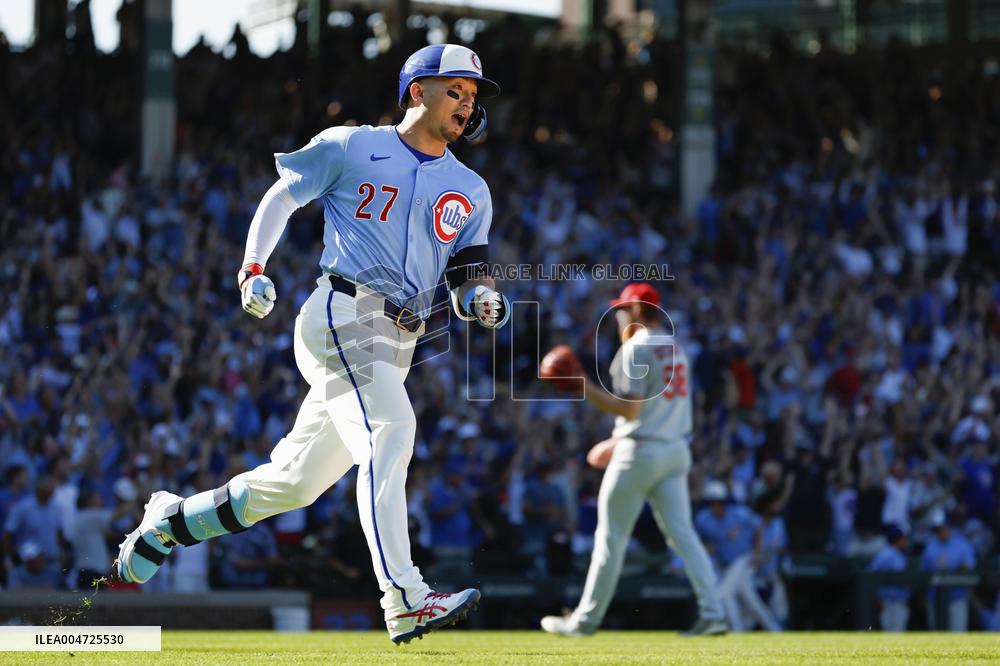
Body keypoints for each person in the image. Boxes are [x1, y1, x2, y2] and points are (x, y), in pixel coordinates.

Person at [115, 43, 511, 645]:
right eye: (454, 88)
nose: (466, 102)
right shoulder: (353, 145)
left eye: (473, 93)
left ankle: (171, 522)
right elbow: (283, 195)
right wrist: (252, 265)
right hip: (343, 312)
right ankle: (404, 597)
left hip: (399, 341)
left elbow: (466, 274)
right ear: (416, 91)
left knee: (294, 484)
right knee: (391, 432)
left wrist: (479, 299)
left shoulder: (471, 188)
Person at [540, 283, 726, 637]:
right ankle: (713, 613)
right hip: (674, 450)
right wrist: (617, 439)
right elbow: (655, 412)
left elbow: (631, 408)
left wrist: (582, 385)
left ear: (638, 312)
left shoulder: (635, 348)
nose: (618, 316)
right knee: (684, 537)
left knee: (610, 538)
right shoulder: (676, 347)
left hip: (640, 453)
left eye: (623, 309)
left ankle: (584, 622)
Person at [696, 481, 781, 632]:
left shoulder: (739, 513)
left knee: (724, 594)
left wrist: (758, 551)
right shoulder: (703, 519)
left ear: (725, 501)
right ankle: (774, 629)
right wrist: (707, 548)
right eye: (712, 502)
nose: (716, 506)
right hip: (725, 565)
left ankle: (737, 632)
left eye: (719, 502)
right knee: (749, 599)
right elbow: (700, 542)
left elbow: (759, 526)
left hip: (743, 559)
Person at [922, 510, 976, 631]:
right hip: (934, 599)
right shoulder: (930, 546)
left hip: (957, 597)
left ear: (948, 526)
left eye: (942, 528)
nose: (939, 531)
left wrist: (959, 569)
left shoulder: (962, 544)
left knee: (957, 635)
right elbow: (924, 573)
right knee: (936, 637)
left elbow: (970, 567)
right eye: (937, 529)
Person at [868, 525, 911, 631]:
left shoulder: (899, 554)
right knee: (890, 635)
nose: (905, 541)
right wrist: (878, 599)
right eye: (903, 538)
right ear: (898, 539)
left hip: (899, 601)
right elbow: (870, 576)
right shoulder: (886, 555)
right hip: (888, 602)